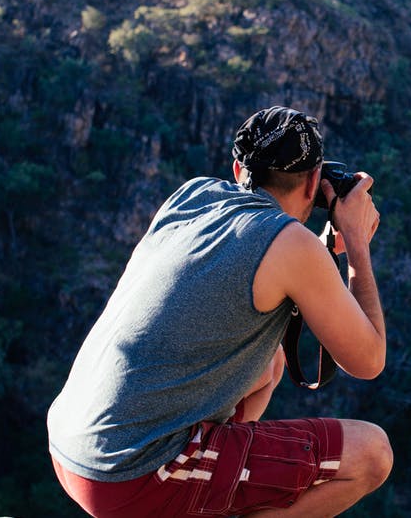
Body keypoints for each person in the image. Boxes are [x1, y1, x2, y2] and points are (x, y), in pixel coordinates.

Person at [47, 106, 392, 517]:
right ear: (314, 181)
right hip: (132, 478)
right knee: (372, 454)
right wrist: (355, 241)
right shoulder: (290, 245)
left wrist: (319, 250)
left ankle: (203, 496)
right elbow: (368, 361)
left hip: (71, 449)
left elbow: (246, 272)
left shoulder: (192, 195)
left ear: (236, 169)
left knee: (270, 366)